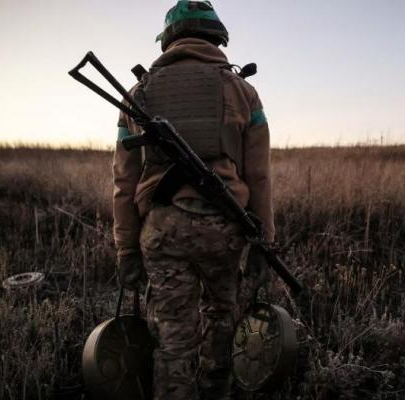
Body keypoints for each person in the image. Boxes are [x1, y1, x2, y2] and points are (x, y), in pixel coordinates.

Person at [112, 1, 274, 398]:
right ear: (217, 37)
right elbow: (259, 176)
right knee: (221, 319)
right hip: (225, 227)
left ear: (168, 39)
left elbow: (123, 180)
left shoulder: (138, 93)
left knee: (173, 335)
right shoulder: (243, 91)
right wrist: (264, 240)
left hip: (162, 230)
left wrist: (126, 249)